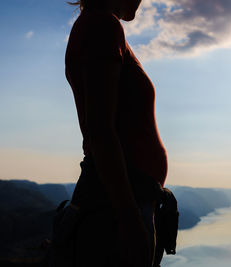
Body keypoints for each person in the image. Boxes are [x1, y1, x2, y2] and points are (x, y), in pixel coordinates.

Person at [63, 0, 168, 266]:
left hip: (121, 198)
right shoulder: (102, 25)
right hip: (115, 204)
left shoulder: (101, 26)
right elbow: (99, 129)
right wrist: (130, 220)